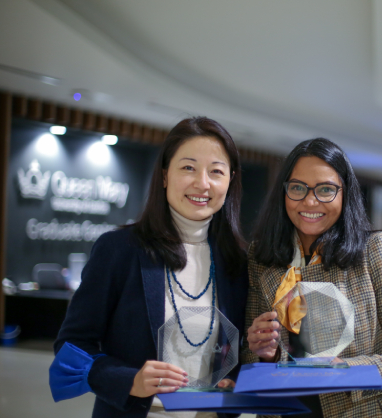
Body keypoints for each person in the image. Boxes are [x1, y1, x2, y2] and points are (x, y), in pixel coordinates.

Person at [51, 117, 248, 418]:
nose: (203, 183)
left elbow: (237, 354)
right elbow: (72, 346)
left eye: (216, 172)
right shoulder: (119, 249)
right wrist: (129, 380)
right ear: (165, 174)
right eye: (188, 167)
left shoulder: (237, 262)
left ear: (230, 181)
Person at [243, 138, 382, 417]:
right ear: (283, 192)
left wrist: (348, 373)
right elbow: (251, 357)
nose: (310, 201)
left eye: (326, 190)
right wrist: (265, 352)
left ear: (345, 194)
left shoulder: (374, 251)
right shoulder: (262, 257)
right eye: (298, 188)